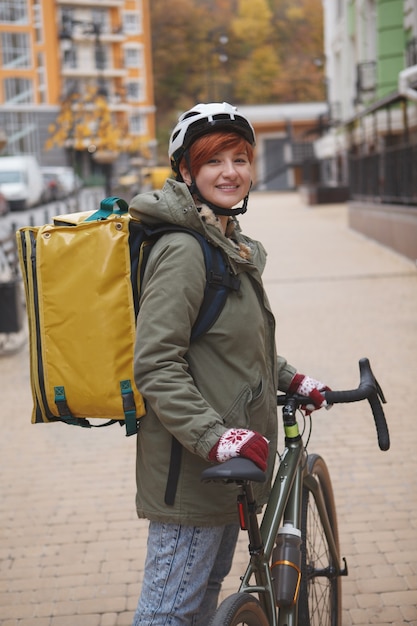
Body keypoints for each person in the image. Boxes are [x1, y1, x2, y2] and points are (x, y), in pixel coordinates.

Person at [129, 102, 330, 625]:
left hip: (227, 466)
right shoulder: (183, 249)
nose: (230, 172)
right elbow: (155, 365)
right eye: (214, 160)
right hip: (192, 470)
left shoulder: (224, 243)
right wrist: (215, 437)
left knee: (197, 606)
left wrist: (293, 378)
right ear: (185, 171)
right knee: (167, 615)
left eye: (240, 158)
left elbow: (236, 345)